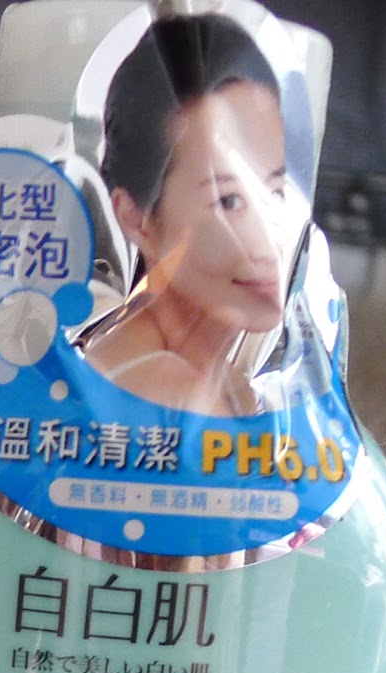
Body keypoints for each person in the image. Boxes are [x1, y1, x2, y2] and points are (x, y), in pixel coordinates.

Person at [84, 14, 303, 417]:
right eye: (229, 201)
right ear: (136, 218)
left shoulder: (231, 387)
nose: (266, 241)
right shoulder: (165, 391)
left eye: (273, 193)